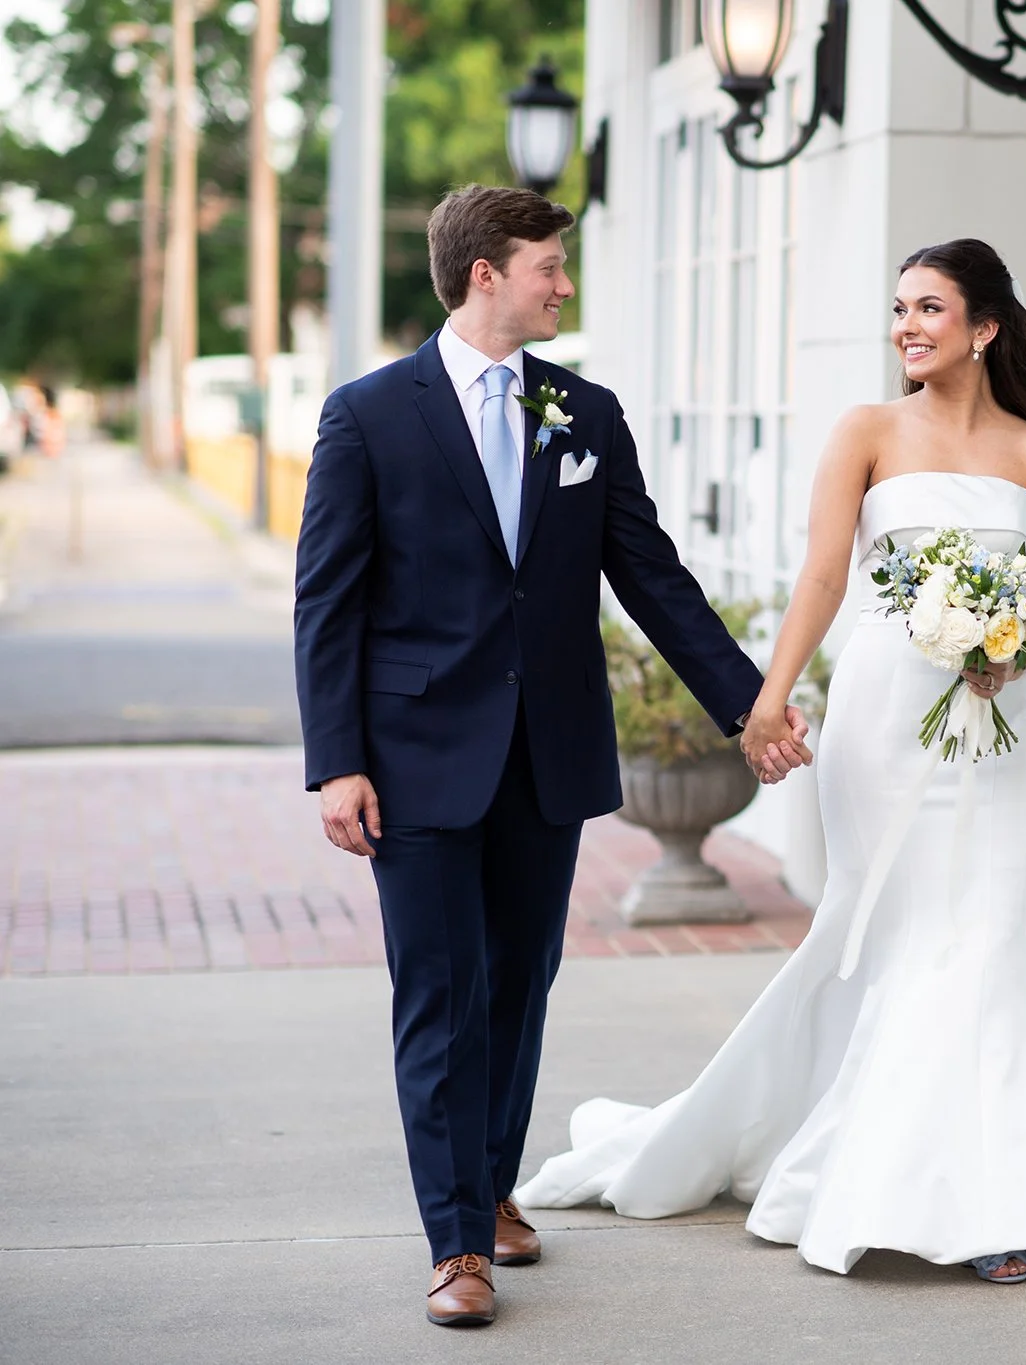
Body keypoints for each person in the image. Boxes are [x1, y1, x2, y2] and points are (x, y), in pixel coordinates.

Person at [293, 184, 811, 1328]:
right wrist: (337, 761)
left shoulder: (585, 412)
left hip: (546, 753)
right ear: (485, 272)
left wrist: (749, 706)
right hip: (414, 755)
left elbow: (651, 575)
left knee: (519, 986)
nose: (561, 285)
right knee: (439, 993)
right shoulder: (367, 415)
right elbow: (325, 604)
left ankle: (488, 1187)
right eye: (546, 266)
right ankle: (454, 1245)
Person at [518, 239, 1026, 1287]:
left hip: (1004, 728)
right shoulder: (865, 432)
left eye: (929, 308)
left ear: (985, 327)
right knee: (901, 934)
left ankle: (989, 1198)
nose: (907, 325)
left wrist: (1011, 653)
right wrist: (768, 695)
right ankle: (907, 1177)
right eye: (899, 308)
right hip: (883, 714)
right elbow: (824, 575)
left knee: (986, 937)